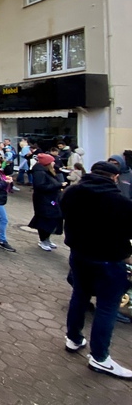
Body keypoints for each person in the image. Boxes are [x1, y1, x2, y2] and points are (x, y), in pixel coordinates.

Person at [62, 161, 132, 379]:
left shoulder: (71, 193)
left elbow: (64, 212)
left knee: (80, 295)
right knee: (107, 307)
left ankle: (73, 338)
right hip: (109, 261)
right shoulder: (120, 202)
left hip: (79, 255)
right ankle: (100, 358)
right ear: (114, 177)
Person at [28, 153, 66, 251]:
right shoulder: (39, 172)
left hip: (52, 199)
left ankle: (47, 239)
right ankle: (43, 240)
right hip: (44, 200)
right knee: (46, 220)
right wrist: (59, 185)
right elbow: (40, 187)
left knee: (54, 218)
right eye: (52, 161)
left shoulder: (48, 171)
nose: (54, 163)